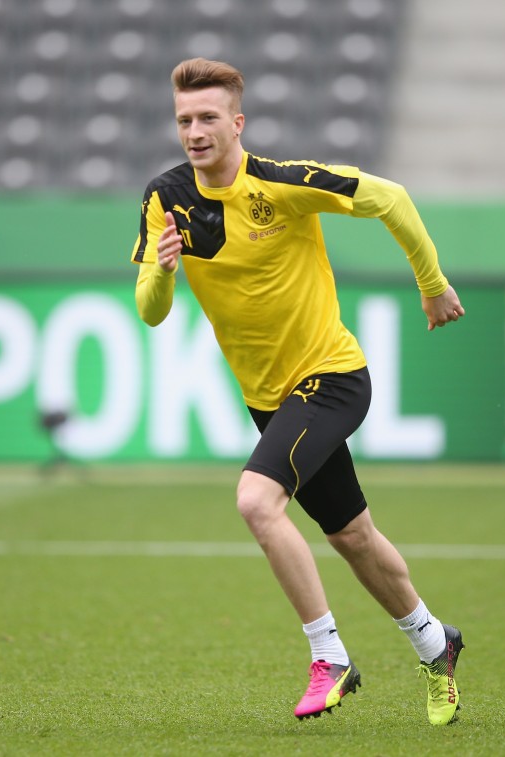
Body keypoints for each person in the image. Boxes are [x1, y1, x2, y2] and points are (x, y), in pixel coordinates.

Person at [130, 58, 467, 725]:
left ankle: (329, 657)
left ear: (237, 122)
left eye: (207, 117)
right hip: (269, 399)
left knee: (256, 501)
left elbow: (391, 197)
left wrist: (432, 284)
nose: (194, 132)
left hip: (332, 378)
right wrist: (164, 270)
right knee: (353, 536)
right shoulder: (164, 197)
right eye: (184, 120)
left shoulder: (282, 184)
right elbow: (150, 310)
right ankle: (436, 642)